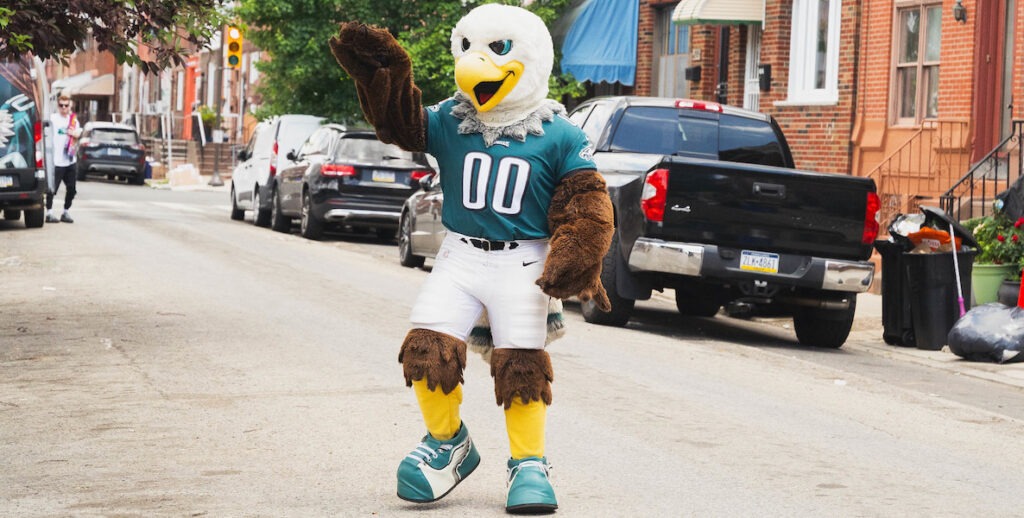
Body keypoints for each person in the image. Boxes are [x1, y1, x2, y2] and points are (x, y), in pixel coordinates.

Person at [331, 4, 614, 514]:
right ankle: (449, 443)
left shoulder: (560, 133)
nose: (476, 63)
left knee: (522, 367)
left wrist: (579, 253)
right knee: (425, 350)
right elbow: (401, 121)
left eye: (498, 49)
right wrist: (385, 74)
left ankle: (529, 464)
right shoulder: (450, 120)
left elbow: (587, 200)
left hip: (524, 264)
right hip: (460, 256)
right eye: (468, 49)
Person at [47, 93, 81, 223]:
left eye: (66, 105)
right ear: (58, 106)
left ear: (69, 105)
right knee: (52, 189)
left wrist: (75, 134)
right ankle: (49, 212)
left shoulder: (73, 120)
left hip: (70, 160)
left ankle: (66, 211)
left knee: (72, 188)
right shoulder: (53, 119)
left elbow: (78, 133)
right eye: (61, 105)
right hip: (56, 161)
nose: (63, 108)